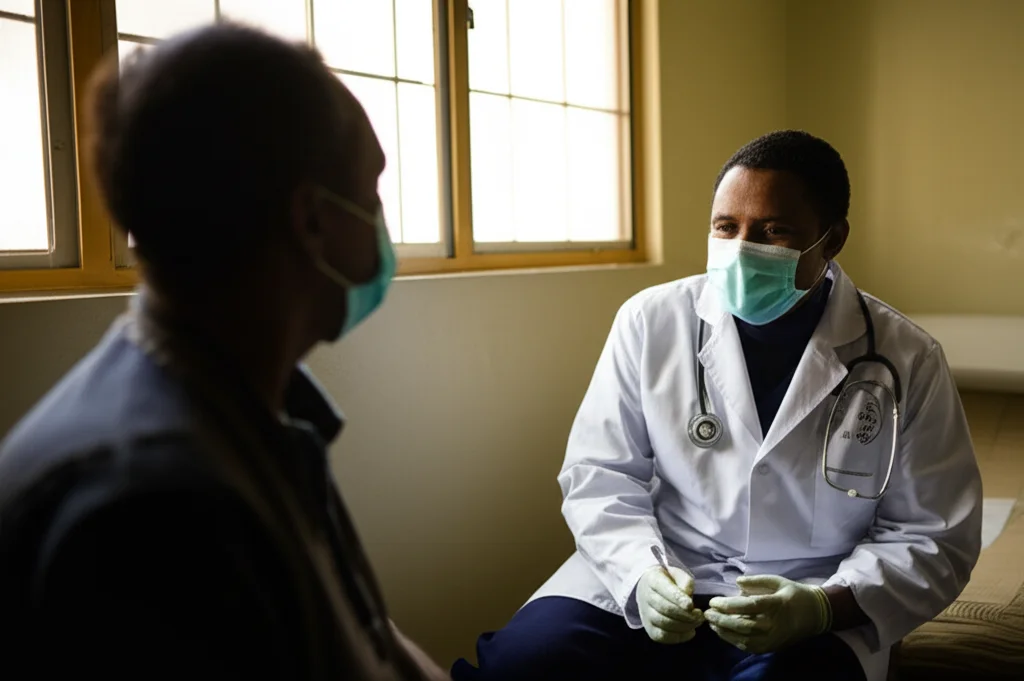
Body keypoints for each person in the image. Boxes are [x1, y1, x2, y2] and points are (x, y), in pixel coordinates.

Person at [0, 24, 448, 681]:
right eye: (372, 194)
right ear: (312, 220)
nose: (381, 228)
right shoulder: (152, 513)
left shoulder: (255, 408)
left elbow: (369, 637)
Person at [452, 130, 983, 681]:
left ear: (832, 239)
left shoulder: (905, 357)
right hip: (664, 570)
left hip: (810, 591)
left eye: (773, 231)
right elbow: (599, 473)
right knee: (522, 664)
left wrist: (824, 606)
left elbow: (934, 534)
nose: (741, 249)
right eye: (726, 227)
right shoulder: (651, 320)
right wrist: (642, 577)